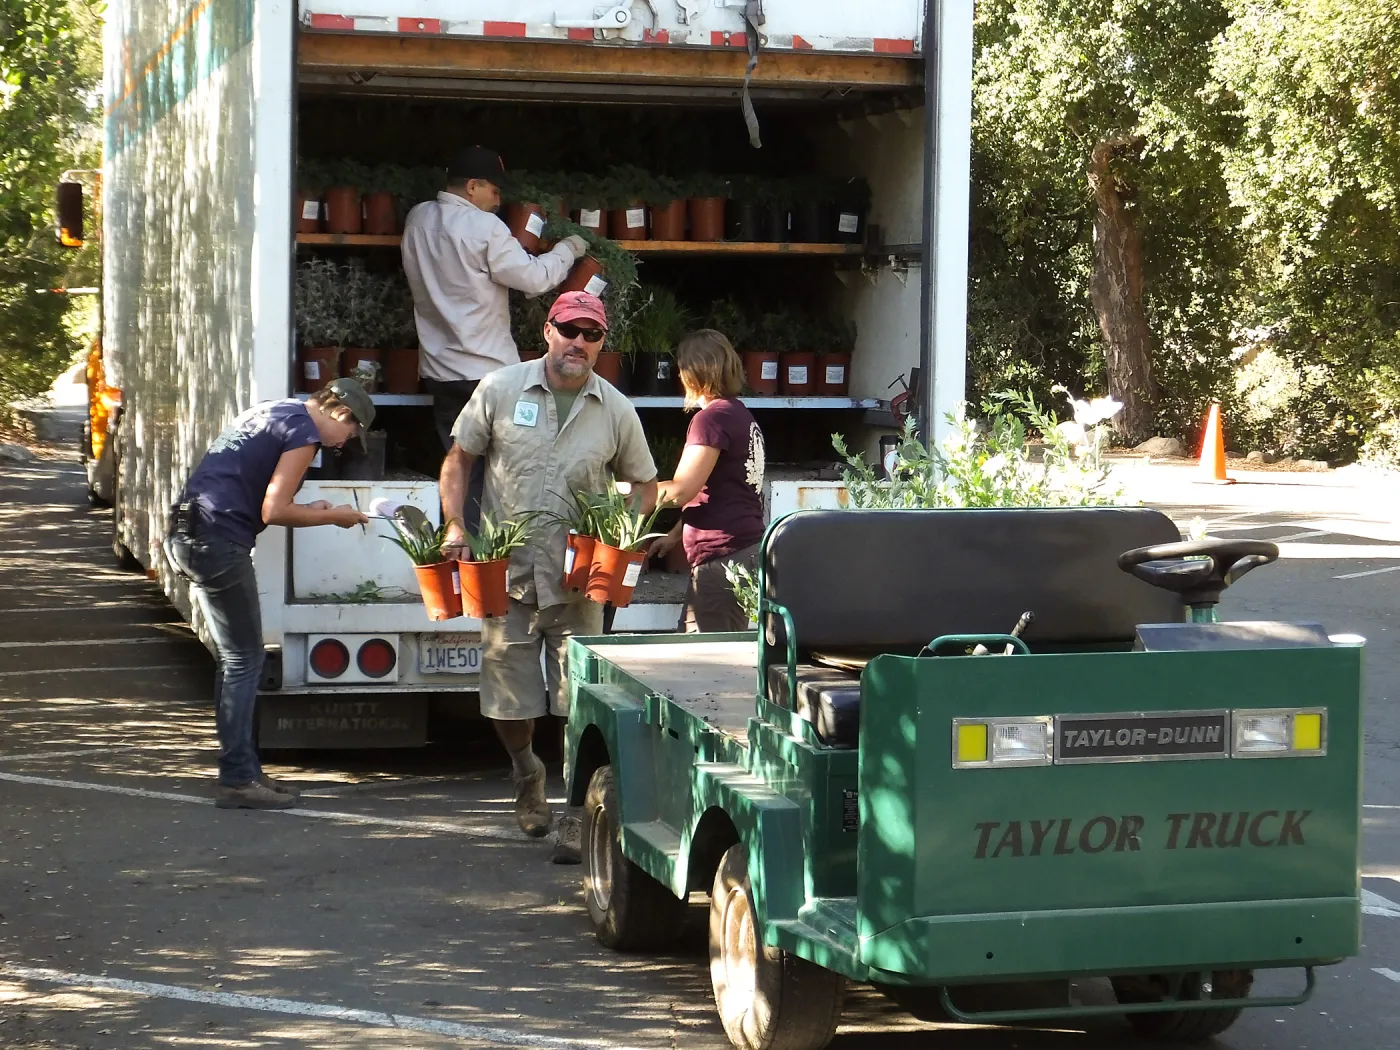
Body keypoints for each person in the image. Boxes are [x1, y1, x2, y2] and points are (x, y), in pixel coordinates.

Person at [439, 291, 657, 863]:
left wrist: (622, 533)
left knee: (580, 706)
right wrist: (455, 527)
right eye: (570, 330)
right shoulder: (501, 390)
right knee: (510, 705)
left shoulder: (615, 409)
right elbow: (459, 459)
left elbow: (643, 484)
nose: (579, 343)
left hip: (579, 582)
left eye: (592, 335)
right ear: (548, 331)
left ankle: (573, 814)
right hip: (505, 575)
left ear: (601, 345)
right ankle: (525, 771)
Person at [166, 379, 374, 810]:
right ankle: (239, 779)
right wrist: (336, 516)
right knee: (245, 659)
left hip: (190, 532)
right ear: (340, 413)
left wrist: (315, 509)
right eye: (352, 432)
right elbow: (273, 510)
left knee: (235, 658)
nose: (345, 442)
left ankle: (244, 769)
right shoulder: (306, 435)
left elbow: (260, 490)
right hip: (218, 541)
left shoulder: (274, 411)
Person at [402, 145, 589, 530]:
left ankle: (459, 551)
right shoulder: (484, 228)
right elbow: (535, 279)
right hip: (489, 376)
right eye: (495, 190)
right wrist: (569, 249)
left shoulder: (417, 219)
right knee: (503, 476)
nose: (499, 200)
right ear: (472, 186)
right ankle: (493, 563)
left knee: (459, 467)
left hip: (440, 373)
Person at [653, 330, 766, 632]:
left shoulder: (711, 420)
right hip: (743, 553)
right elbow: (715, 489)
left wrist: (624, 493)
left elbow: (680, 492)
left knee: (705, 666)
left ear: (693, 373)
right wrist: (676, 535)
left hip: (722, 560)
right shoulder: (740, 414)